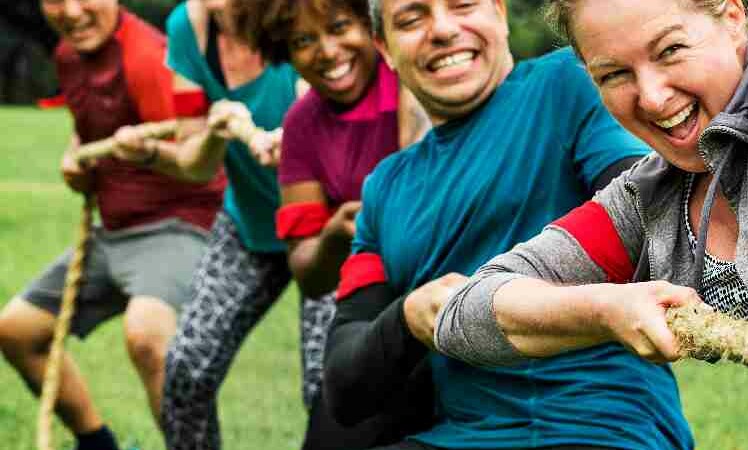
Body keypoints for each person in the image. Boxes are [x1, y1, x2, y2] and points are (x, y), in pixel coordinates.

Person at [436, 0, 748, 448]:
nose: (653, 97)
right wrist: (606, 309)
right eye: (615, 74)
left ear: (733, 18)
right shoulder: (647, 201)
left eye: (671, 50)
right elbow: (465, 314)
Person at [323, 0, 695, 448]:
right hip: (458, 437)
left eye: (463, 4)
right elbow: (344, 386)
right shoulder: (384, 188)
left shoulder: (568, 83)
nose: (442, 29)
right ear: (383, 47)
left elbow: (655, 228)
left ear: (499, 12)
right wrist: (410, 317)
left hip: (601, 425)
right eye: (411, 19)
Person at [0, 1, 225, 449]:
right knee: (16, 331)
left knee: (147, 334)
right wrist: (77, 158)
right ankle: (98, 445)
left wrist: (141, 153)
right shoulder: (69, 56)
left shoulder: (147, 57)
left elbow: (200, 161)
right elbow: (90, 126)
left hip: (180, 225)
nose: (71, 11)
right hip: (114, 232)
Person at [228, 0, 431, 448]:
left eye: (340, 28)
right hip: (373, 299)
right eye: (303, 40)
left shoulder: (412, 75)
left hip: (446, 292)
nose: (327, 51)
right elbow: (307, 271)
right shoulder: (302, 125)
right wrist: (336, 235)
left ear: (370, 25)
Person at [144, 1, 304, 449]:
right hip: (249, 225)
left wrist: (288, 142)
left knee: (327, 384)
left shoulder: (300, 14)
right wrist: (216, 133)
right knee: (186, 369)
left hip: (327, 228)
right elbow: (194, 162)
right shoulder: (187, 30)